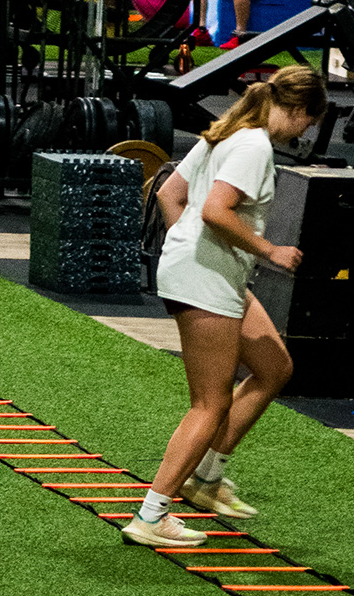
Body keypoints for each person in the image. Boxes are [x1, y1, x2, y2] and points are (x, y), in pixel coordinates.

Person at [122, 64, 328, 547]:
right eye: (308, 122)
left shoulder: (227, 131)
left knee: (273, 367)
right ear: (299, 109)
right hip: (205, 278)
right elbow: (216, 210)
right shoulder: (254, 146)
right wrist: (270, 250)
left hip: (207, 271)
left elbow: (169, 193)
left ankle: (206, 480)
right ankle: (151, 516)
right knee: (210, 404)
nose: (304, 133)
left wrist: (191, 247)